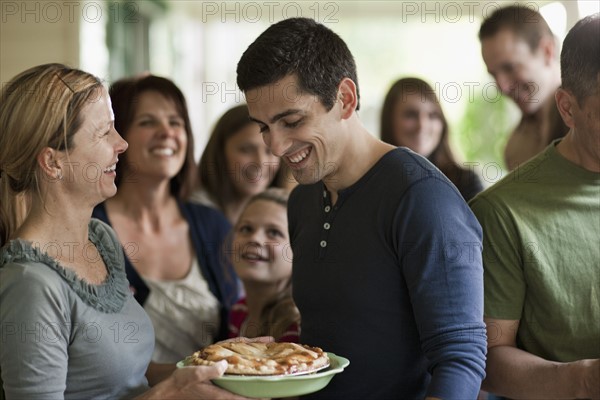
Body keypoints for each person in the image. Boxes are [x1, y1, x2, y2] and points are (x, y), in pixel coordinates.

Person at [236, 17, 487, 399]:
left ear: (346, 99)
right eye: (264, 127)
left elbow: (460, 360)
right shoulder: (303, 199)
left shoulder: (422, 198)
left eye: (291, 121)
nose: (275, 146)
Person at [0, 63, 252, 399]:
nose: (122, 144)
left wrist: (221, 362)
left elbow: (128, 373)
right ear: (53, 162)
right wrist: (167, 395)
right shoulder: (30, 283)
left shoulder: (101, 239)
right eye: (105, 133)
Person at [470, 14, 600, 399]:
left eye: (510, 67)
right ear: (567, 108)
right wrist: (586, 380)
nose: (504, 85)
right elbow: (488, 361)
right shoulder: (502, 213)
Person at [91, 75, 238, 363]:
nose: (166, 132)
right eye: (147, 122)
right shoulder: (89, 228)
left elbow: (238, 321)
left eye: (176, 122)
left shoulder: (213, 225)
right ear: (118, 137)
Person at [479, 4, 568, 171]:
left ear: (547, 51)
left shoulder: (589, 123)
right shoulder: (514, 149)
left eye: (510, 68)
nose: (502, 87)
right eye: (493, 74)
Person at [380, 77, 484, 201]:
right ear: (389, 121)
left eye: (432, 115)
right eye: (411, 114)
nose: (422, 125)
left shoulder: (466, 181)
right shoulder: (374, 182)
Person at [192, 104, 287, 224]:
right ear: (220, 152)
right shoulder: (196, 215)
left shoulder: (283, 215)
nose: (261, 162)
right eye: (246, 149)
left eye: (269, 151)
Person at [227, 188, 300, 343]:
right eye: (246, 228)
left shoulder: (297, 328)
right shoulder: (238, 311)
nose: (255, 239)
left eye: (274, 232)